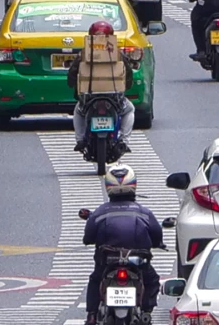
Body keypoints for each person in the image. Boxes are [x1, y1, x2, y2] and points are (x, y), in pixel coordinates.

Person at [83, 164, 163, 325]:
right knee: (152, 280)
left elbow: (88, 237)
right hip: (137, 261)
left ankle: (91, 315)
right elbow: (157, 237)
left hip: (107, 261)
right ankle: (146, 313)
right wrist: (158, 244)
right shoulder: (144, 213)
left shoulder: (100, 212)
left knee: (95, 279)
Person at [68, 21, 135, 154]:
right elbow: (127, 74)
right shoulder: (118, 54)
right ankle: (124, 141)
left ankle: (80, 140)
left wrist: (75, 87)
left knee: (78, 111)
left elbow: (72, 75)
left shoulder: (83, 54)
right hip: (114, 97)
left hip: (89, 97)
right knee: (129, 109)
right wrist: (125, 86)